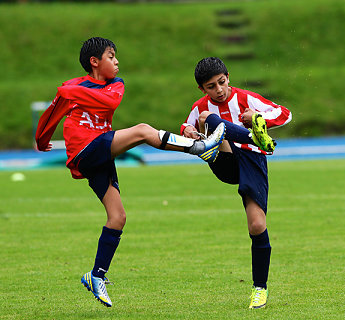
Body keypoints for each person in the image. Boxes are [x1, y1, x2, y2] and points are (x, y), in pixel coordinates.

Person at [35, 37, 226, 308]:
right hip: (84, 148)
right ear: (95, 61)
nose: (116, 61)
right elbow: (54, 109)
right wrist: (42, 138)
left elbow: (108, 104)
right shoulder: (73, 86)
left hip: (100, 150)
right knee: (142, 131)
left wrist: (70, 93)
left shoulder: (114, 85)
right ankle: (199, 147)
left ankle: (96, 275)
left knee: (118, 217)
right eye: (111, 56)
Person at [181, 57, 292, 309]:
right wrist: (187, 131)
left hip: (252, 161)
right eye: (211, 86)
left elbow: (285, 114)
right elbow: (187, 125)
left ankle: (259, 289)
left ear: (228, 76)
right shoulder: (201, 105)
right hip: (225, 158)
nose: (218, 90)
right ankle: (252, 137)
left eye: (221, 82)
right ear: (202, 89)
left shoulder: (246, 98)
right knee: (207, 118)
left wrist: (257, 116)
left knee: (256, 225)